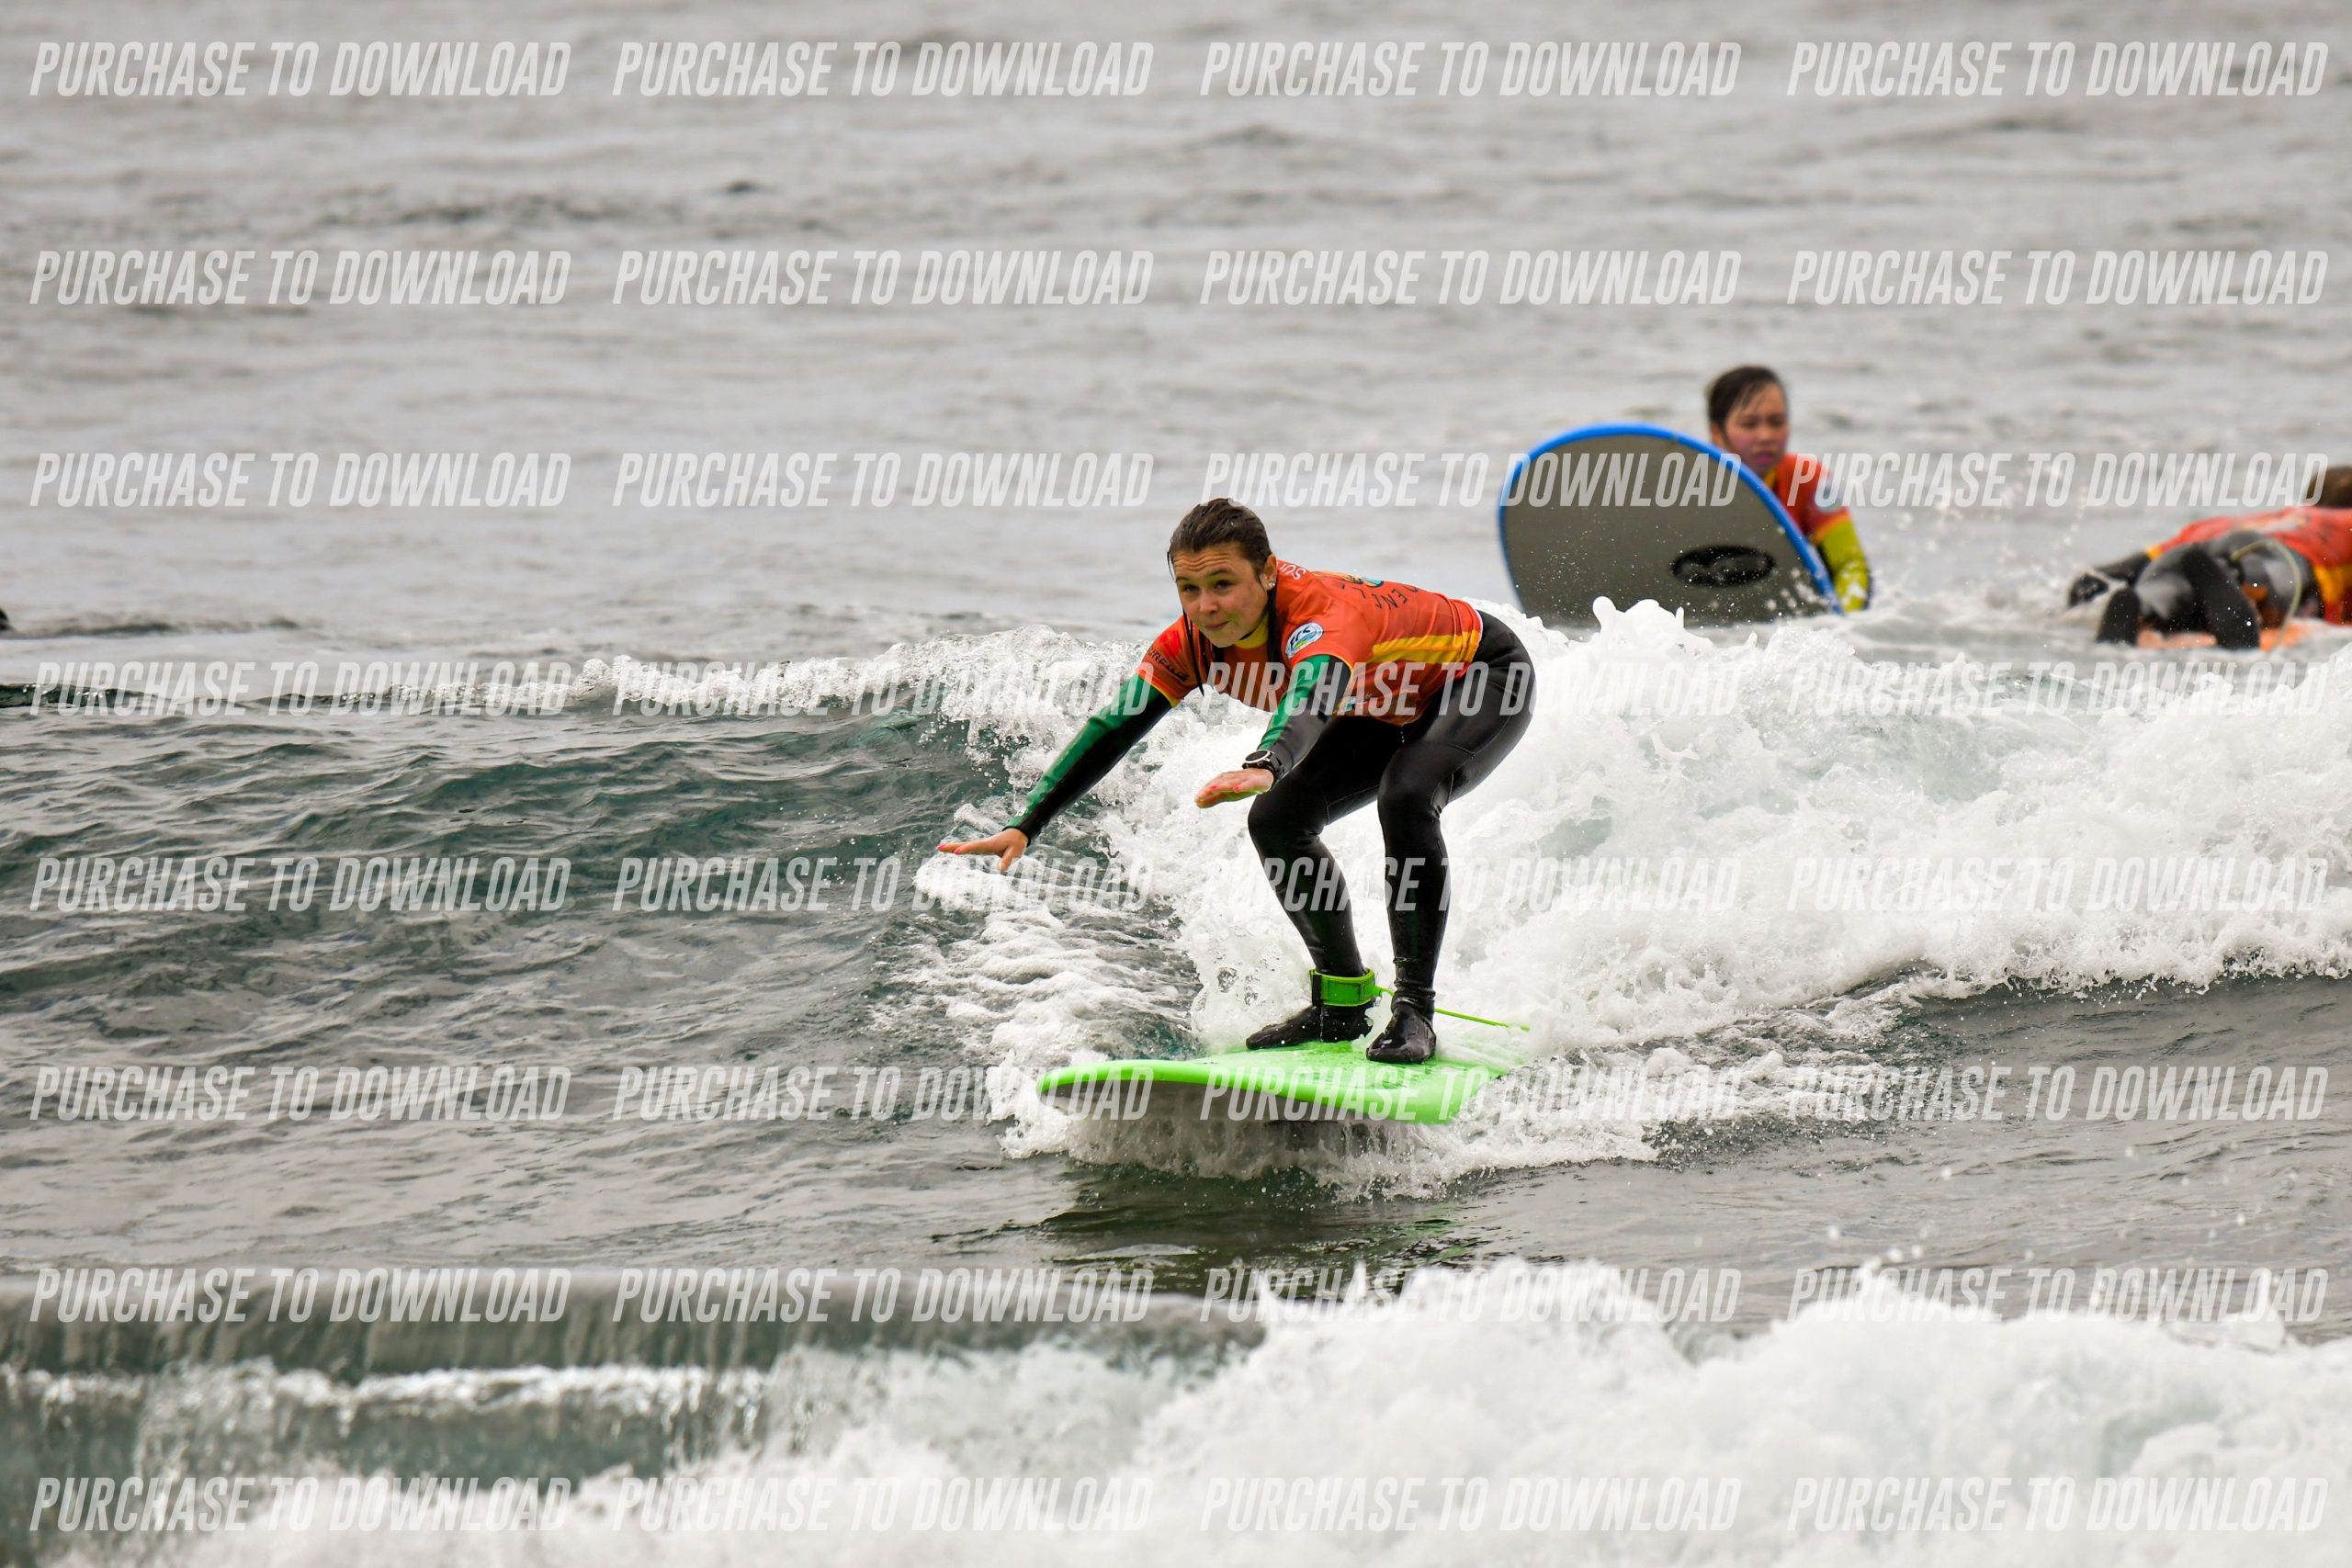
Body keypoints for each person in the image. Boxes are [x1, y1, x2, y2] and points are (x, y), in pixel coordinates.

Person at [940, 498, 1536, 1065]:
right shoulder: (1191, 644)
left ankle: (1414, 1011)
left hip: (1481, 676)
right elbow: (1113, 727)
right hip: (1381, 701)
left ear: (1268, 573)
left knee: (1407, 794)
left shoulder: (1322, 618)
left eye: (1223, 584)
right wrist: (1027, 823)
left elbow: (1313, 697)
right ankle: (1342, 1003)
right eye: (1189, 588)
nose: (1206, 606)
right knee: (1277, 820)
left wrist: (1267, 761)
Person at [2068, 466, 2352, 648]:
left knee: (2169, 593)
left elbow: (2111, 573)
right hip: (2269, 559)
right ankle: (2230, 588)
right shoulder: (2342, 525)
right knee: (2266, 584)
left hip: (2195, 550)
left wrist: (2084, 590)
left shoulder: (2250, 520)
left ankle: (2143, 604)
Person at [1705, 366, 1871, 611]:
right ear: (1717, 433)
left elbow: (1851, 565)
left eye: (1777, 422)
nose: (1766, 436)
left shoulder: (1809, 479)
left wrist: (1844, 623)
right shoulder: (1689, 486)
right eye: (1749, 424)